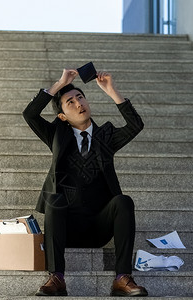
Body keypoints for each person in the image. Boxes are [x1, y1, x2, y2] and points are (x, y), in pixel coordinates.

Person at [23, 68, 147, 297]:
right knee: (54, 200)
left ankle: (122, 278)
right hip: (65, 227)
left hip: (99, 227)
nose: (78, 103)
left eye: (80, 97)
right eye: (70, 102)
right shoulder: (56, 135)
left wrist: (112, 91)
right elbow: (30, 114)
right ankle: (56, 278)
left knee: (123, 202)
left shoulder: (106, 137)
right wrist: (60, 84)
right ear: (62, 115)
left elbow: (135, 126)